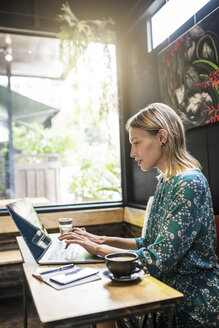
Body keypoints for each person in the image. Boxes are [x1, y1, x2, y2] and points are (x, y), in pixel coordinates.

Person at [59, 103, 219, 328]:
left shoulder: (189, 183)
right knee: (102, 302)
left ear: (162, 136)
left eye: (136, 143)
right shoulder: (167, 181)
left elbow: (156, 258)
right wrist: (100, 240)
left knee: (104, 305)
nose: (133, 153)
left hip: (190, 299)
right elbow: (147, 242)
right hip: (163, 286)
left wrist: (97, 250)